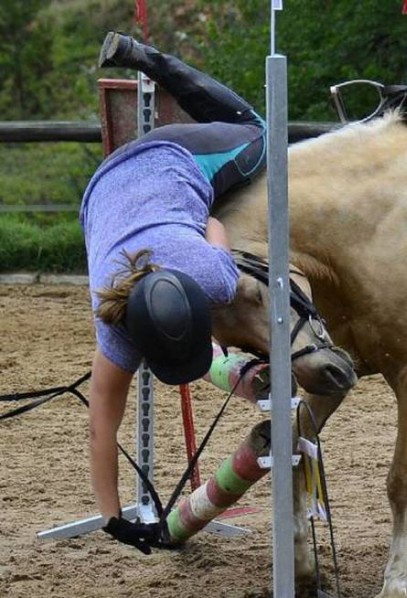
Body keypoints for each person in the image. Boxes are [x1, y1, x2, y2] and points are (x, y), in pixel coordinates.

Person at [80, 33, 268, 554]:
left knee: (259, 132)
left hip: (138, 169)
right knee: (259, 132)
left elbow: (101, 425)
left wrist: (111, 519)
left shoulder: (198, 282)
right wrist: (117, 520)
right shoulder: (203, 280)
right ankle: (148, 58)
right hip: (130, 175)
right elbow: (211, 223)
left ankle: (150, 59)